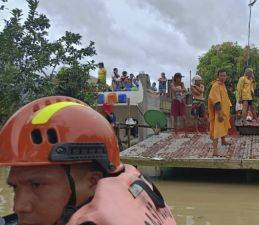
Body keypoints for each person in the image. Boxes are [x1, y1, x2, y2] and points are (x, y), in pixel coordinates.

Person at [0, 96, 177, 225]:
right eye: (15, 187)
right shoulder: (133, 192)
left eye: (36, 185)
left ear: (93, 181)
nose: (18, 207)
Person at [208, 69, 232, 155]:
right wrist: (219, 113)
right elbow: (216, 101)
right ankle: (215, 150)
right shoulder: (216, 86)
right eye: (221, 75)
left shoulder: (222, 85)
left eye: (224, 75)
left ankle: (223, 141)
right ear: (218, 76)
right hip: (218, 112)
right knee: (217, 130)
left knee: (223, 127)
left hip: (224, 111)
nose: (223, 77)